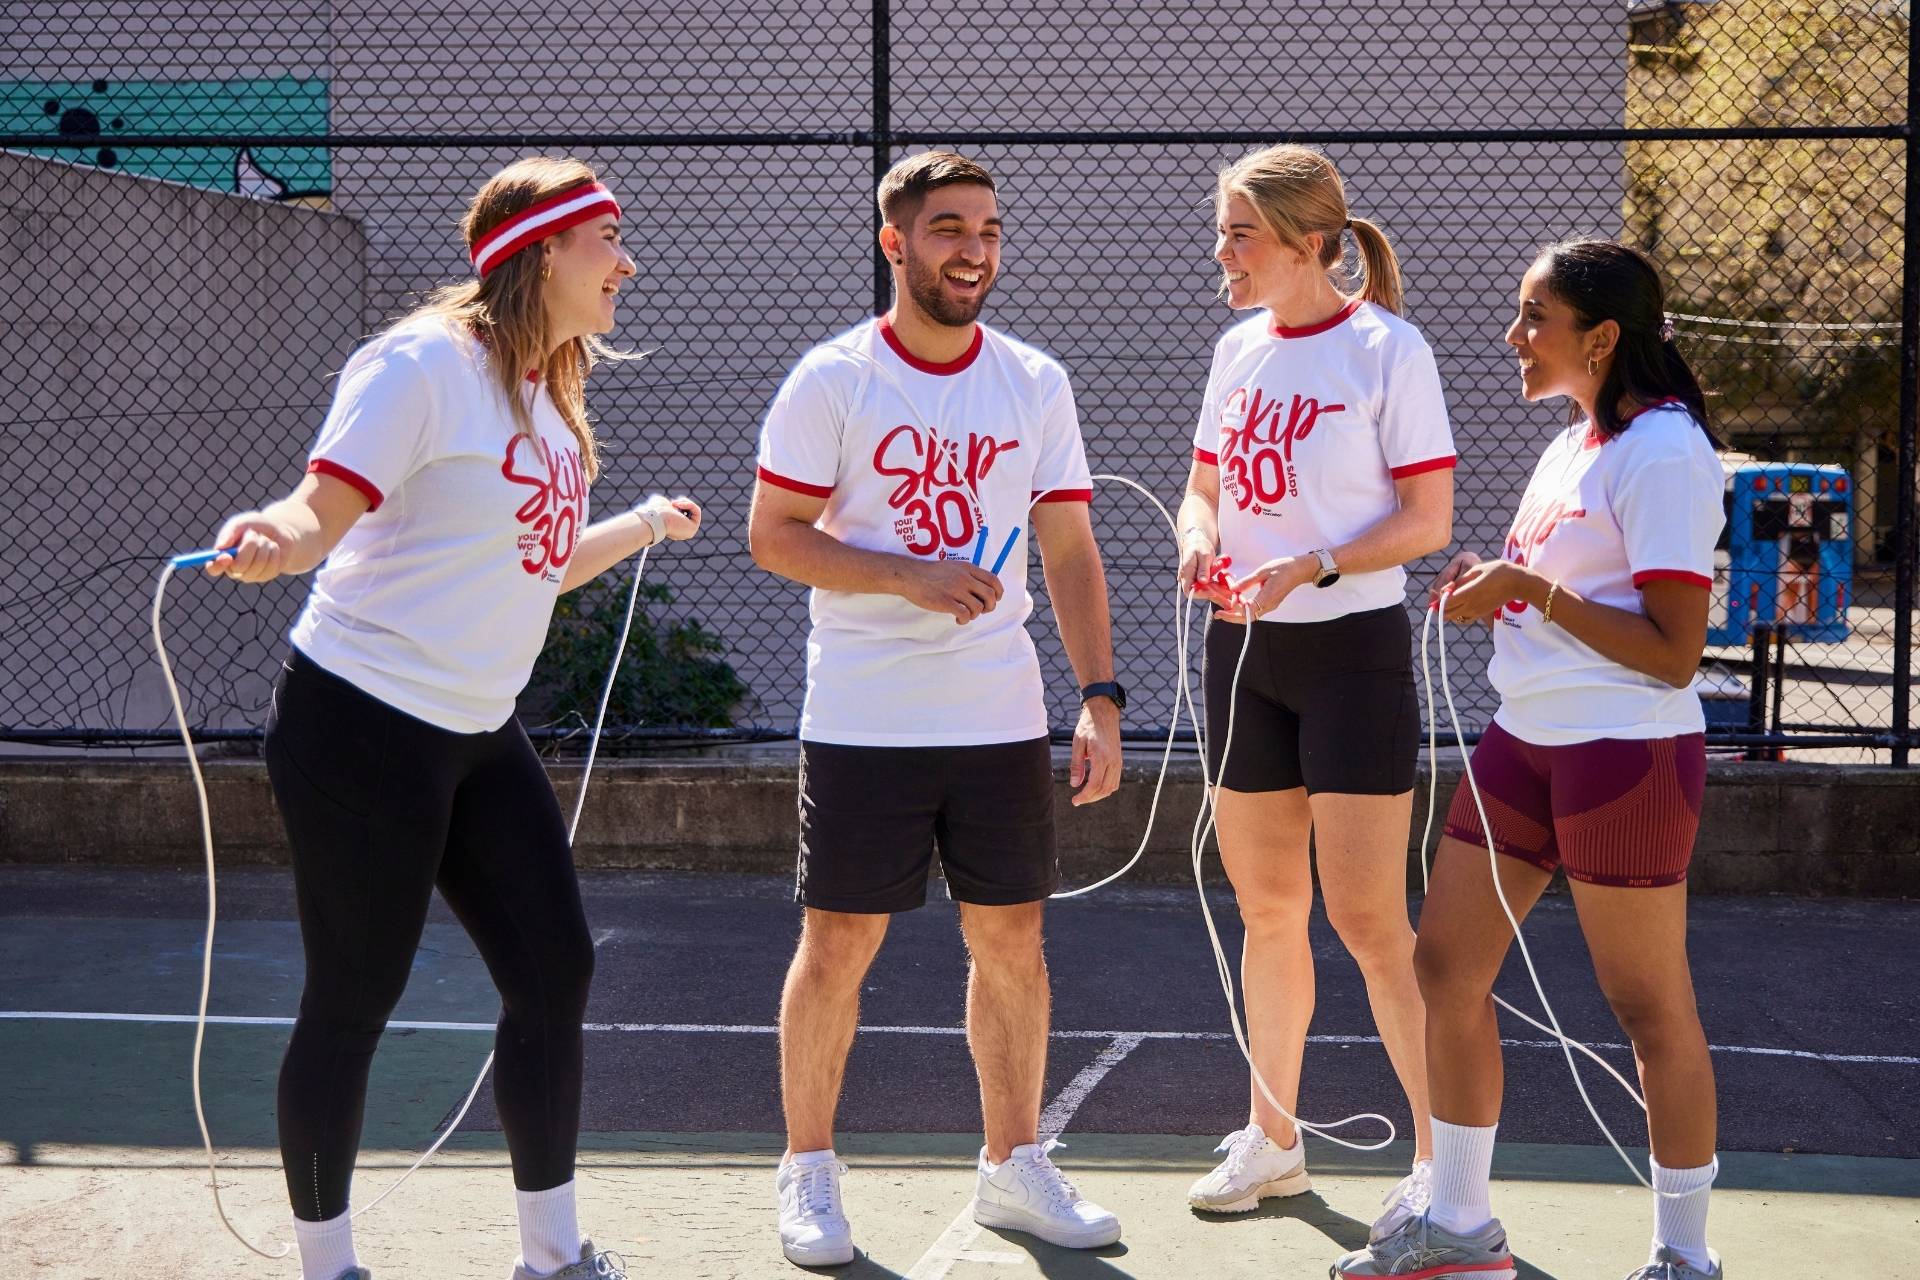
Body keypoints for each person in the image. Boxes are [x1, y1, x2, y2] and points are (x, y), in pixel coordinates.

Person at [203, 156, 703, 1280]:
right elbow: (318, 508)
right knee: (356, 992)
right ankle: (328, 1268)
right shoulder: (421, 364)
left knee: (554, 968)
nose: (628, 261)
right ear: (541, 251)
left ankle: (552, 1255)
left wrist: (637, 523)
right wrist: (278, 536)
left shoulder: (547, 394)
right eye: (607, 240)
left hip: (479, 728)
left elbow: (537, 565)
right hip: (362, 723)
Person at [749, 150, 1125, 1268]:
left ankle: (1013, 1164)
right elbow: (775, 537)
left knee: (1013, 938)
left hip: (999, 713)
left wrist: (1098, 697)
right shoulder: (834, 378)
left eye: (990, 230)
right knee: (840, 942)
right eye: (950, 228)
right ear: (895, 242)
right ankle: (807, 1170)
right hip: (864, 714)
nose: (974, 249)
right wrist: (906, 572)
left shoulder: (1033, 381)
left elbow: (1068, 548)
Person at [1334, 240, 1726, 1280]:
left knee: (1648, 1007)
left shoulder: (1668, 451)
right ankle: (1461, 1227)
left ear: (1601, 338)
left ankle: (1685, 1254)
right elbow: (1557, 584)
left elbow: (1673, 650)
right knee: (1445, 967)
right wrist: (1501, 582)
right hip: (1528, 738)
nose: (1514, 336)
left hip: (1624, 751)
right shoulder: (1576, 441)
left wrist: (1534, 590)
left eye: (1533, 317)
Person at [1173, 144, 1455, 1230]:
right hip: (1244, 655)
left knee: (1372, 920)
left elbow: (1425, 520)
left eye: (1239, 232)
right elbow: (1205, 488)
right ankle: (1274, 1139)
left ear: (1308, 242)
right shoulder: (1237, 348)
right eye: (1223, 230)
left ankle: (1443, 1164)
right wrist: (1199, 538)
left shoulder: (1389, 349)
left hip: (1351, 653)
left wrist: (1316, 563)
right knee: (1269, 908)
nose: (1222, 252)